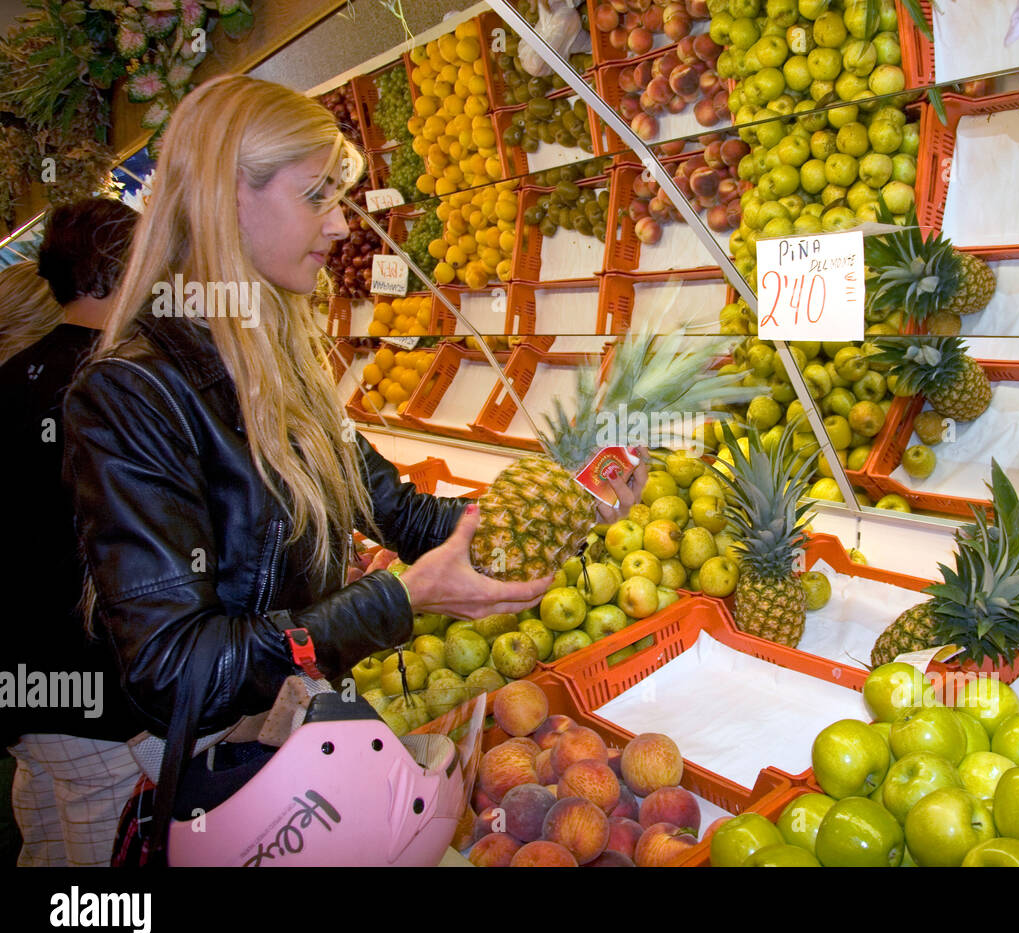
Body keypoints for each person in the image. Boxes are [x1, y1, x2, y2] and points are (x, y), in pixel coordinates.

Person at [60, 75, 645, 866]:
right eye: (316, 197)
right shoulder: (133, 392)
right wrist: (397, 600)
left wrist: (575, 510)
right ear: (228, 197)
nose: (340, 224)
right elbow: (176, 668)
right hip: (223, 772)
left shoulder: (284, 369)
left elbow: (410, 519)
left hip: (301, 752)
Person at [0, 200, 141, 867]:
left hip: (27, 691)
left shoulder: (12, 380)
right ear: (126, 269)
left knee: (45, 837)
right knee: (99, 867)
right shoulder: (119, 388)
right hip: (97, 696)